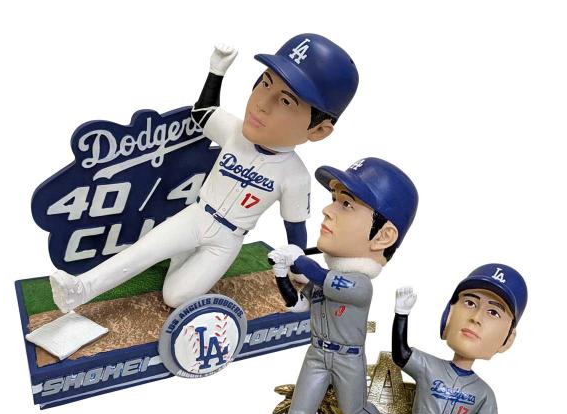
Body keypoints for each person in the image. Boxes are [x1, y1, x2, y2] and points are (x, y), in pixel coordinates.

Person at [49, 34, 359, 312]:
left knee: (174, 296)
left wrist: (298, 265)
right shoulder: (235, 131)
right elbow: (202, 113)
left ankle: (182, 256)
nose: (261, 105)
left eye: (286, 101)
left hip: (226, 240)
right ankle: (79, 290)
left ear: (318, 130)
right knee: (142, 251)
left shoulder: (295, 175)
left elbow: (294, 227)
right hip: (197, 214)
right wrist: (216, 71)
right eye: (265, 83)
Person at [258, 157, 418, 414]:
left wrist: (300, 260)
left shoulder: (359, 284)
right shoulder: (324, 276)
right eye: (334, 199)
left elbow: (322, 277)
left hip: (347, 358)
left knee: (354, 408)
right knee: (301, 407)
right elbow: (297, 305)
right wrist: (281, 274)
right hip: (317, 353)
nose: (327, 211)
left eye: (346, 204)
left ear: (383, 236)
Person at [361, 265, 527, 414]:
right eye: (470, 303)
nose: (476, 318)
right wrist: (401, 314)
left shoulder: (484, 392)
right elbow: (401, 354)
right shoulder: (430, 366)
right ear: (448, 315)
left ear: (507, 340)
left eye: (493, 312)